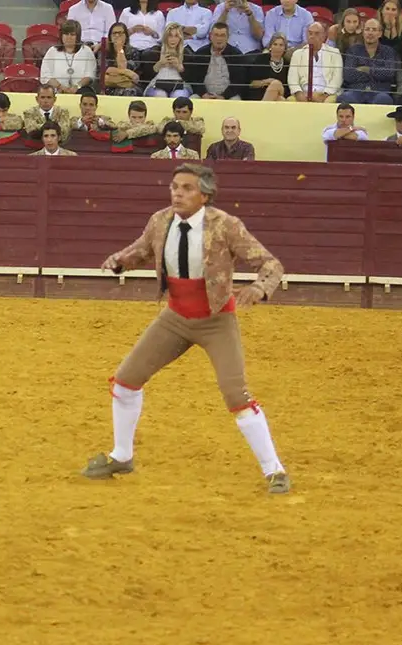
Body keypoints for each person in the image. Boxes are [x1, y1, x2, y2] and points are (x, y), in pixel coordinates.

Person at [82, 163, 291, 494]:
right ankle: (122, 455)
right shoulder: (161, 220)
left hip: (216, 319)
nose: (177, 193)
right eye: (174, 186)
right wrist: (119, 260)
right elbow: (142, 249)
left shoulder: (226, 225)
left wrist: (261, 287)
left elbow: (270, 263)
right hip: (175, 317)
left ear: (204, 195)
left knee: (237, 395)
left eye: (186, 188)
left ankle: (274, 470)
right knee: (125, 382)